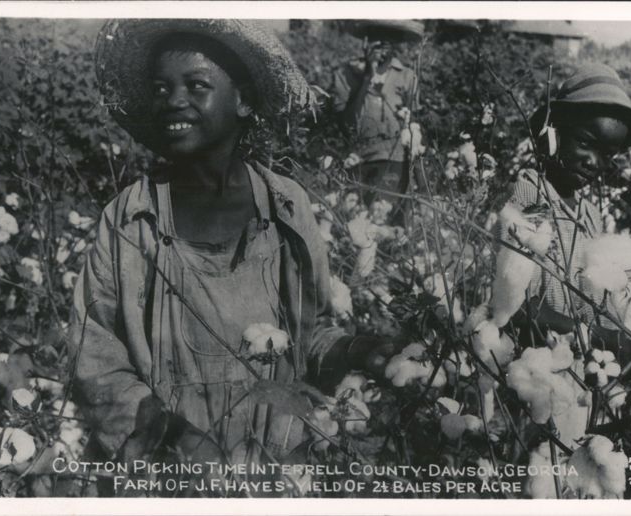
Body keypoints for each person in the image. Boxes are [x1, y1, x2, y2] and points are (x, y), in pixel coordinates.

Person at [72, 19, 392, 495]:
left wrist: (359, 349)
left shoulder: (286, 208)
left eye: (196, 85)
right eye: (161, 88)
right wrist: (170, 435)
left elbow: (312, 332)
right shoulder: (128, 221)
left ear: (242, 101)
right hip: (167, 476)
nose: (173, 100)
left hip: (275, 467)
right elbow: (94, 360)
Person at [501, 62, 631, 363]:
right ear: (552, 134)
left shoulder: (588, 215)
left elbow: (587, 300)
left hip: (574, 369)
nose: (594, 162)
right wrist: (607, 340)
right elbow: (518, 308)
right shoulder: (529, 197)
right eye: (585, 143)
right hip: (530, 368)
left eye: (607, 154)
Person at [331, 20, 423, 210]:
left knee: (381, 213)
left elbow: (412, 122)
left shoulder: (407, 77)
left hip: (393, 156)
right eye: (375, 37)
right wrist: (367, 76)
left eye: (386, 39)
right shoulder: (347, 74)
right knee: (353, 214)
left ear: (394, 43)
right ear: (366, 42)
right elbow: (345, 121)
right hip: (357, 156)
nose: (381, 44)